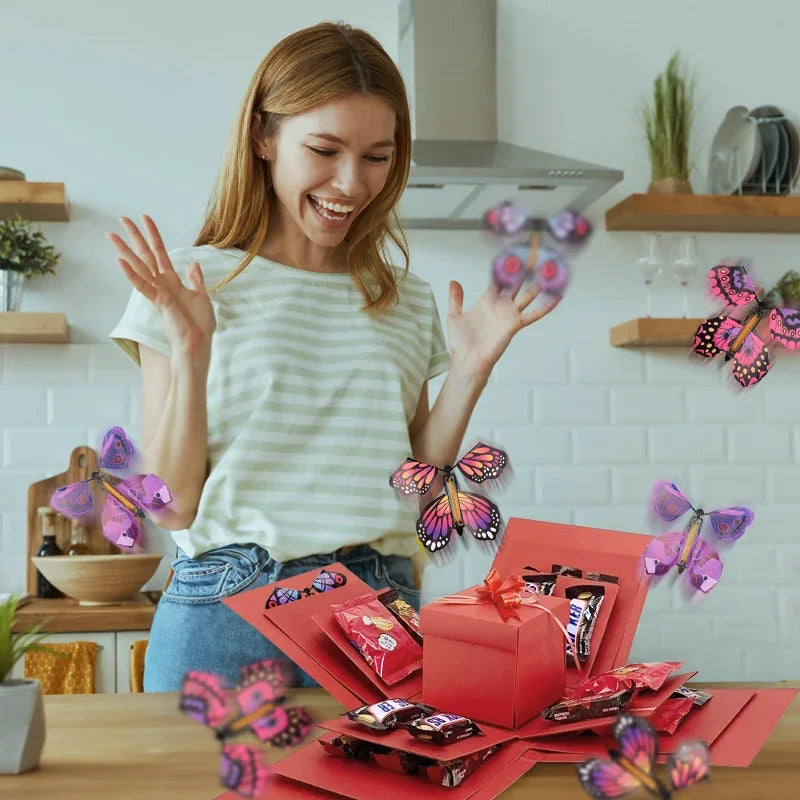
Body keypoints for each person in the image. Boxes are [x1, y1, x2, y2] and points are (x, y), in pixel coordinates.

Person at [107, 20, 560, 692]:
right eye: (324, 149)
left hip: (379, 611)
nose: (351, 182)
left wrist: (470, 370)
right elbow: (171, 507)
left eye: (377, 156)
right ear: (263, 137)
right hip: (225, 618)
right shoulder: (190, 284)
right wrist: (192, 345)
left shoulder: (401, 299)